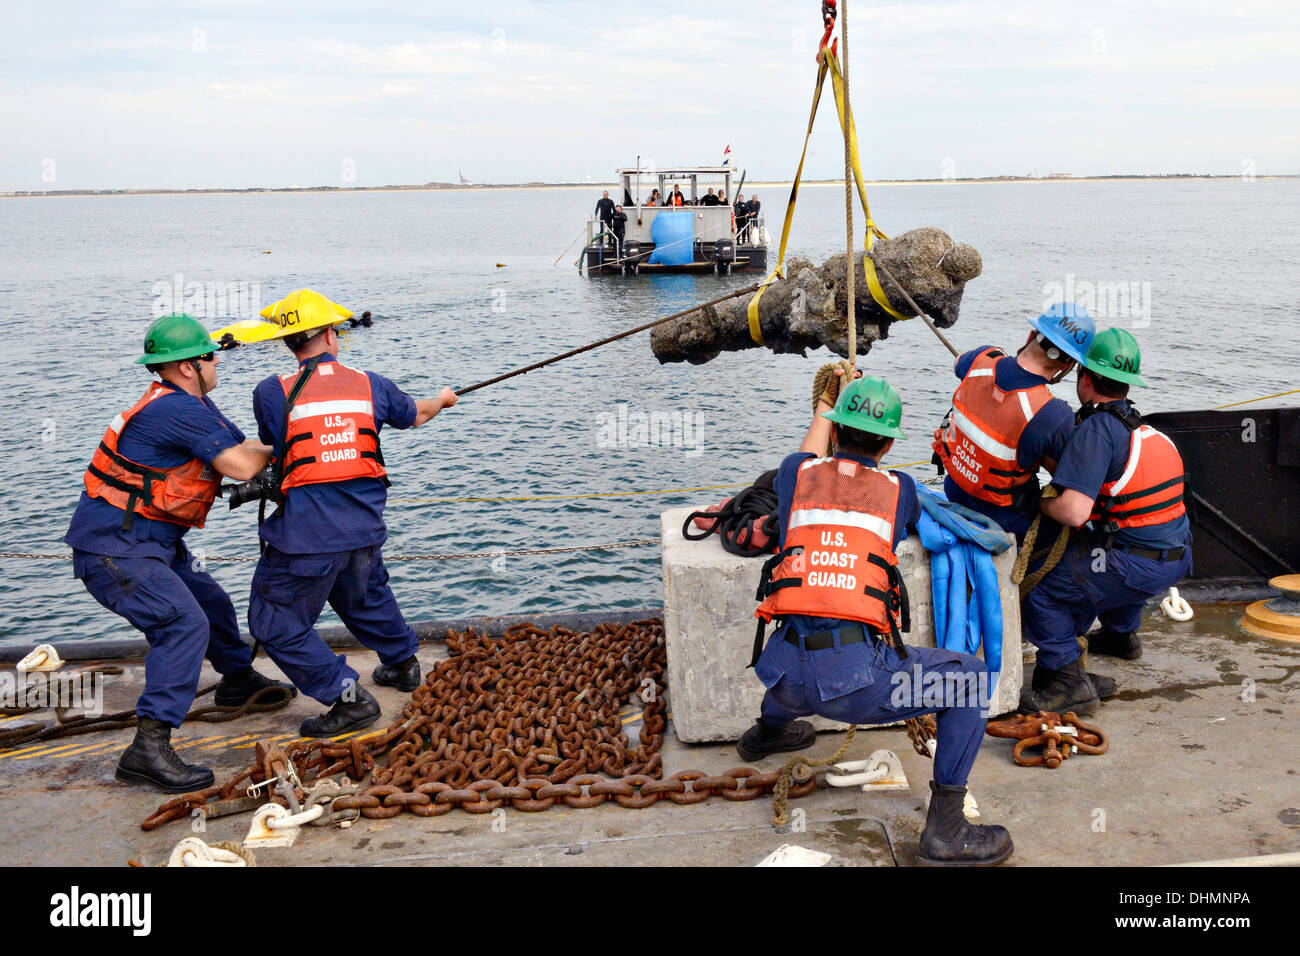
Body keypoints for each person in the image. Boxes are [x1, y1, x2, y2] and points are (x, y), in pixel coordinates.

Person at [743, 373, 1014, 866]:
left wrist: (827, 402)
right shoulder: (899, 490)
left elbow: (807, 457)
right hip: (854, 687)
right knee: (971, 681)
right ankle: (947, 832)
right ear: (889, 443)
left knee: (798, 634)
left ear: (836, 428)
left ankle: (766, 732)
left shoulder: (793, 474)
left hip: (781, 676)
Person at [65, 314, 293, 792]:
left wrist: (273, 447)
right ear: (188, 366)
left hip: (152, 543)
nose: (217, 362)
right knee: (181, 623)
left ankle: (237, 682)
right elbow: (239, 462)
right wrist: (293, 444)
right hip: (115, 551)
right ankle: (148, 747)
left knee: (209, 604)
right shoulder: (178, 411)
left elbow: (243, 448)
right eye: (210, 355)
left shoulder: (193, 403)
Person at [246, 289, 459, 737]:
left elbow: (277, 445)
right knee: (362, 593)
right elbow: (416, 414)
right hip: (363, 526)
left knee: (275, 621)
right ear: (330, 334)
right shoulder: (370, 384)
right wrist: (442, 399)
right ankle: (402, 665)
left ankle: (348, 698)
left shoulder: (271, 392)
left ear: (289, 342)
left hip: (306, 536)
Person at [1020, 329, 1192, 714]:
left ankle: (1066, 682)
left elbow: (1075, 512)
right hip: (1177, 559)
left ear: (1084, 376)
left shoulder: (1098, 430)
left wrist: (1039, 502)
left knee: (1045, 591)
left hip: (1136, 566)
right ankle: (1121, 638)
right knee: (1108, 555)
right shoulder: (1146, 432)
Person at [931, 303, 1094, 542]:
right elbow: (1068, 474)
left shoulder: (983, 358)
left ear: (1030, 336)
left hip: (954, 489)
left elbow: (959, 364)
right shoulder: (1053, 414)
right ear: (1067, 366)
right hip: (1002, 517)